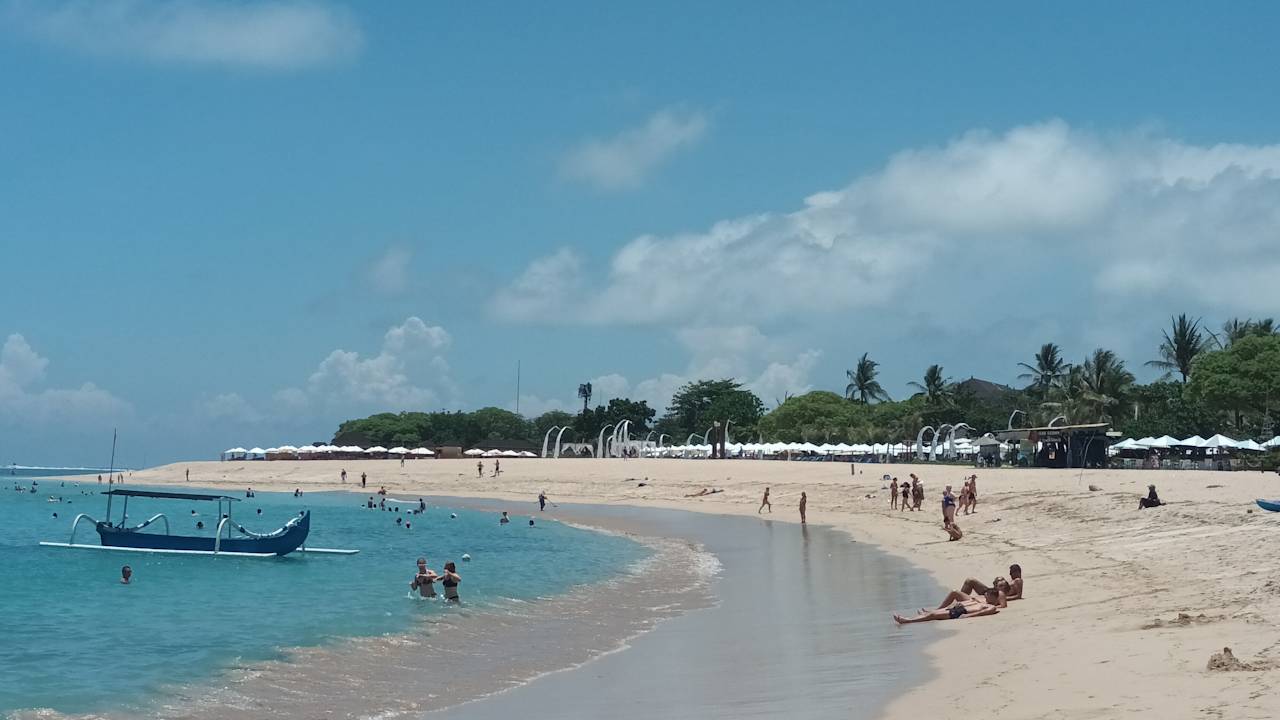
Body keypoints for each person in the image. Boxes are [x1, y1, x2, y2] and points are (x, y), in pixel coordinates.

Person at [894, 587, 1004, 624]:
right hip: (958, 609)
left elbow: (981, 613)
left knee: (932, 615)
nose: (985, 596)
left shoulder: (990, 606)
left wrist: (967, 616)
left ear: (993, 598)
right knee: (932, 614)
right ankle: (915, 617)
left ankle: (908, 620)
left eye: (987, 595)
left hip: (961, 612)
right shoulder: (984, 601)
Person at [959, 564, 1024, 600]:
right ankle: (960, 598)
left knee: (970, 580)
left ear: (1017, 572)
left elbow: (1018, 596)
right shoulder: (1014, 581)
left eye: (1011, 573)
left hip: (993, 595)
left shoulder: (1018, 580)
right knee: (970, 581)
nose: (1010, 574)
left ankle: (959, 598)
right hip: (992, 592)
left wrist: (1002, 598)